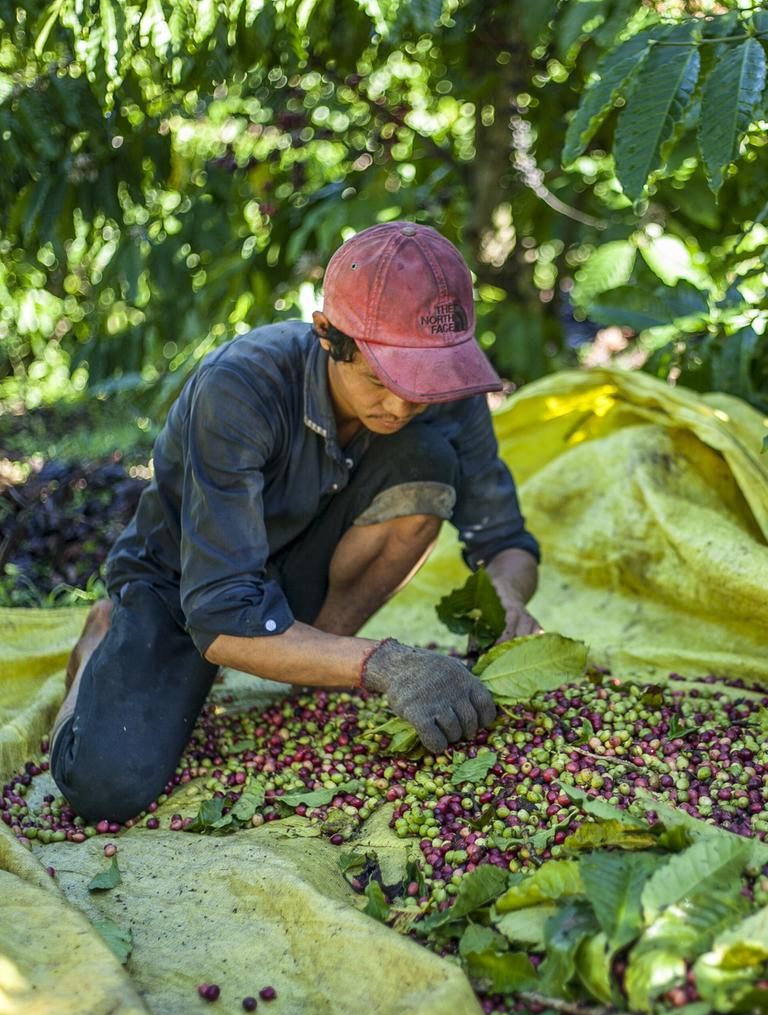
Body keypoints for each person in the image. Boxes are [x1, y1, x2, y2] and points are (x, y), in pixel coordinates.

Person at [50, 221, 541, 823]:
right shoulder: (241, 386)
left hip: (299, 565)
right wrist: (384, 664)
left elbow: (504, 541)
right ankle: (106, 631)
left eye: (425, 388)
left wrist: (507, 600)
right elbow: (223, 614)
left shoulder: (447, 386)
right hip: (186, 585)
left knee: (428, 460)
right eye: (382, 381)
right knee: (104, 788)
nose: (403, 405)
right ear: (327, 336)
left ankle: (307, 658)